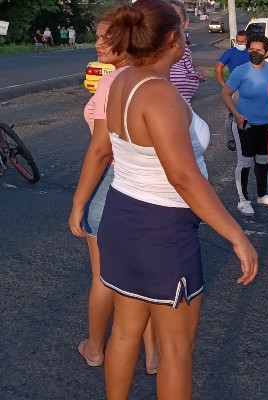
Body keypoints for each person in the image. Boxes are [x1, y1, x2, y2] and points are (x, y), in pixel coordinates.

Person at [70, 1, 258, 397]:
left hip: (122, 216)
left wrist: (80, 203)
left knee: (124, 334)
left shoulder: (120, 80)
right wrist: (235, 234)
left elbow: (101, 146)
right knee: (176, 350)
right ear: (172, 39)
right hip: (163, 231)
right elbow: (184, 178)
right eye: (184, 36)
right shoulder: (158, 93)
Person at [69, 12, 164, 373]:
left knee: (104, 276)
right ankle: (153, 354)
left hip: (113, 182)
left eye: (105, 37)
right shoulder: (150, 78)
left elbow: (100, 150)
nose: (97, 44)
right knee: (145, 273)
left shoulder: (113, 84)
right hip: (146, 186)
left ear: (127, 41)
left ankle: (95, 347)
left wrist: (79, 202)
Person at [221, 33, 268, 216]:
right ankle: (243, 199)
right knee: (245, 161)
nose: (253, 52)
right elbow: (225, 94)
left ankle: (262, 195)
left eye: (258, 50)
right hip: (244, 124)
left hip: (267, 124)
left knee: (263, 160)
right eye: (251, 49)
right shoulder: (241, 70)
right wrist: (237, 115)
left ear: (267, 52)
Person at [215, 30, 250, 151]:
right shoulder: (230, 52)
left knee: (247, 112)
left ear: (247, 41)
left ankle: (245, 136)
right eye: (238, 41)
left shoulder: (251, 52)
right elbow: (218, 66)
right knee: (231, 113)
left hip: (249, 87)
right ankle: (231, 140)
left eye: (243, 41)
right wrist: (224, 84)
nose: (240, 43)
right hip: (234, 89)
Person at [168, 0, 200, 104]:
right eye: (166, 16)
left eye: (175, 17)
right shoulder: (148, 48)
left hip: (183, 110)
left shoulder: (185, 50)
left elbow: (192, 76)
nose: (169, 22)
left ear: (185, 22)